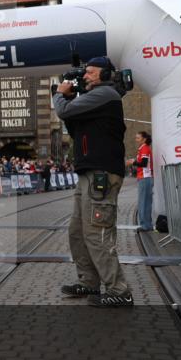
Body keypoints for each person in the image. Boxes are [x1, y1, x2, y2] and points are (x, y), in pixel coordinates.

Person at [53, 57, 132, 307]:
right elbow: (74, 125)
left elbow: (63, 110)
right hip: (88, 173)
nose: (85, 76)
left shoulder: (105, 94)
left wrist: (59, 94)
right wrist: (69, 99)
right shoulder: (94, 100)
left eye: (90, 72)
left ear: (105, 74)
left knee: (97, 232)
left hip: (102, 174)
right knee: (77, 231)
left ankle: (120, 290)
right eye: (84, 72)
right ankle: (89, 282)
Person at [126, 131, 154, 232]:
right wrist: (134, 161)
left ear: (144, 139)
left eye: (138, 138)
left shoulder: (145, 148)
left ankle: (145, 225)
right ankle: (147, 224)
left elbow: (144, 163)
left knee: (144, 202)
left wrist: (133, 162)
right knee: (145, 202)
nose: (136, 140)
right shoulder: (143, 148)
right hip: (144, 178)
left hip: (145, 178)